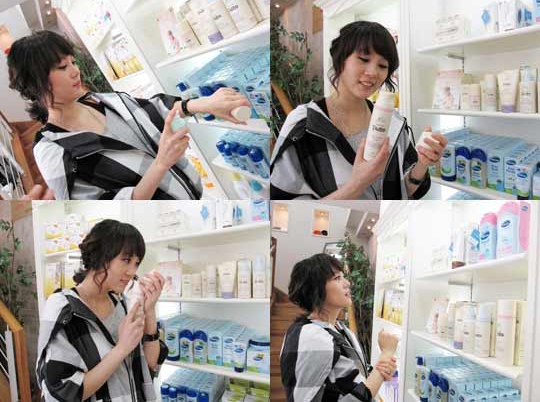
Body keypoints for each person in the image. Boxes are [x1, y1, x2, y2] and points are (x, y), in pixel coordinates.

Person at [7, 30, 251, 200]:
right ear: (35, 82)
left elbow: (155, 108)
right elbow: (105, 209)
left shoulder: (101, 101)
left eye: (73, 62)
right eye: (62, 67)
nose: (75, 71)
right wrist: (161, 163)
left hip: (194, 194)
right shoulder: (51, 149)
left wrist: (205, 104)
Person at [271, 21, 448, 200]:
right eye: (364, 59)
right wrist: (357, 185)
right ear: (340, 59)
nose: (373, 72)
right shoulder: (304, 126)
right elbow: (282, 209)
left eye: (382, 66)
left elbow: (405, 191)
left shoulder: (393, 123)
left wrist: (422, 164)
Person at [36, 219, 167, 401]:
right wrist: (121, 349)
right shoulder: (63, 308)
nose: (132, 271)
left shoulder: (122, 303)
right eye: (126, 260)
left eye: (136, 263)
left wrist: (150, 310)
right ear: (101, 256)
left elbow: (148, 367)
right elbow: (62, 391)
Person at [280, 253, 399, 401]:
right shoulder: (312, 336)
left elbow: (351, 375)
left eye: (343, 276)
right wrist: (386, 353)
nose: (347, 283)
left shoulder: (339, 328)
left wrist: (380, 370)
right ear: (316, 289)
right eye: (337, 278)